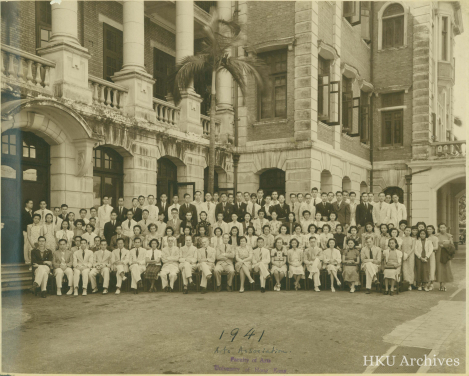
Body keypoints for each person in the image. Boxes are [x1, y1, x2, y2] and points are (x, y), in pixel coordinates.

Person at [435, 223, 454, 291]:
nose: (442, 229)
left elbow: (452, 246)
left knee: (446, 268)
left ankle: (444, 284)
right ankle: (440, 284)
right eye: (441, 228)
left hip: (446, 254)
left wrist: (445, 246)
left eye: (443, 227)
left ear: (446, 228)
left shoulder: (449, 236)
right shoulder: (436, 235)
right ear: (439, 228)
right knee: (439, 268)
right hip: (439, 254)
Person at [401, 226, 415, 291]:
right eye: (406, 230)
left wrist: (408, 254)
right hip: (403, 255)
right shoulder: (401, 238)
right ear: (404, 230)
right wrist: (403, 254)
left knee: (410, 269)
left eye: (409, 231)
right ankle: (405, 283)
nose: (407, 232)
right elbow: (400, 247)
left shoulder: (413, 239)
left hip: (410, 255)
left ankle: (410, 284)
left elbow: (413, 248)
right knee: (404, 269)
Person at [426, 225, 439, 291]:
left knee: (431, 268)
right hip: (424, 254)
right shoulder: (424, 236)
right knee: (425, 268)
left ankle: (431, 283)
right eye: (427, 229)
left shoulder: (435, 238)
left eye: (430, 229)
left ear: (433, 230)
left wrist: (429, 249)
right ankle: (425, 283)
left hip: (431, 254)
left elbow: (436, 247)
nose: (429, 230)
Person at [22, 199, 34, 265]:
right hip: (26, 231)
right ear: (26, 204)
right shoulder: (23, 212)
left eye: (32, 203)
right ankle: (26, 260)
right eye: (30, 203)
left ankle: (31, 259)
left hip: (32, 231)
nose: (31, 204)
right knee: (26, 245)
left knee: (31, 245)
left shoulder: (32, 212)